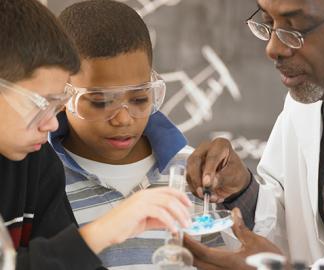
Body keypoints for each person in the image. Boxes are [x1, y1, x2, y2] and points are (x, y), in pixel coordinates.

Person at [0, 1, 192, 269]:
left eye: (56, 105)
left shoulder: (37, 162)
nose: (53, 124)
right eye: (39, 104)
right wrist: (103, 231)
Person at [49, 1, 222, 268]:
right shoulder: (39, 178)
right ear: (60, 92)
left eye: (140, 99)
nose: (123, 118)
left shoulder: (192, 174)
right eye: (100, 101)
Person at [184, 0, 324, 269]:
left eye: (296, 26)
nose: (272, 48)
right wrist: (242, 191)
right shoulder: (306, 105)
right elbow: (295, 230)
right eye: (269, 23)